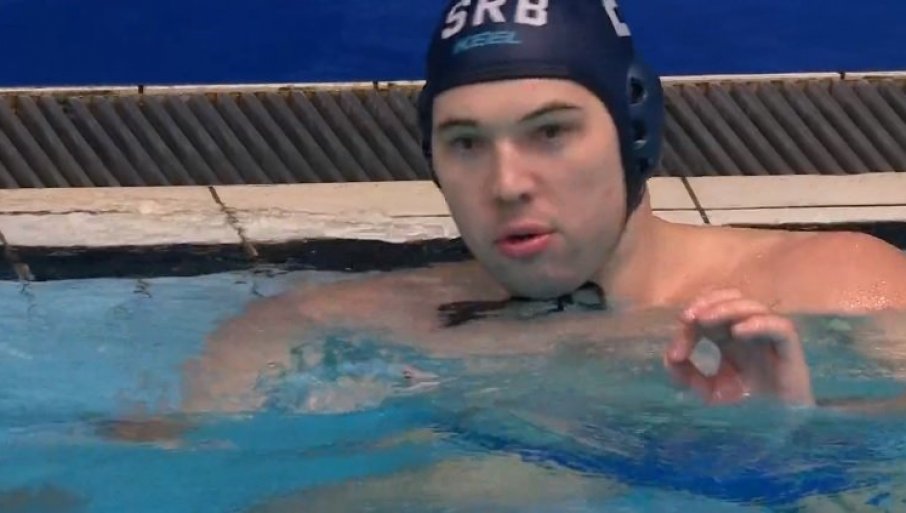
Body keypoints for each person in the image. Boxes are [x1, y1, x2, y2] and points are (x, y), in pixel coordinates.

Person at [179, 0, 906, 416]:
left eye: (550, 132)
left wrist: (791, 436)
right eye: (466, 143)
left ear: (634, 131)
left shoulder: (840, 289)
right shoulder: (310, 328)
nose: (506, 183)